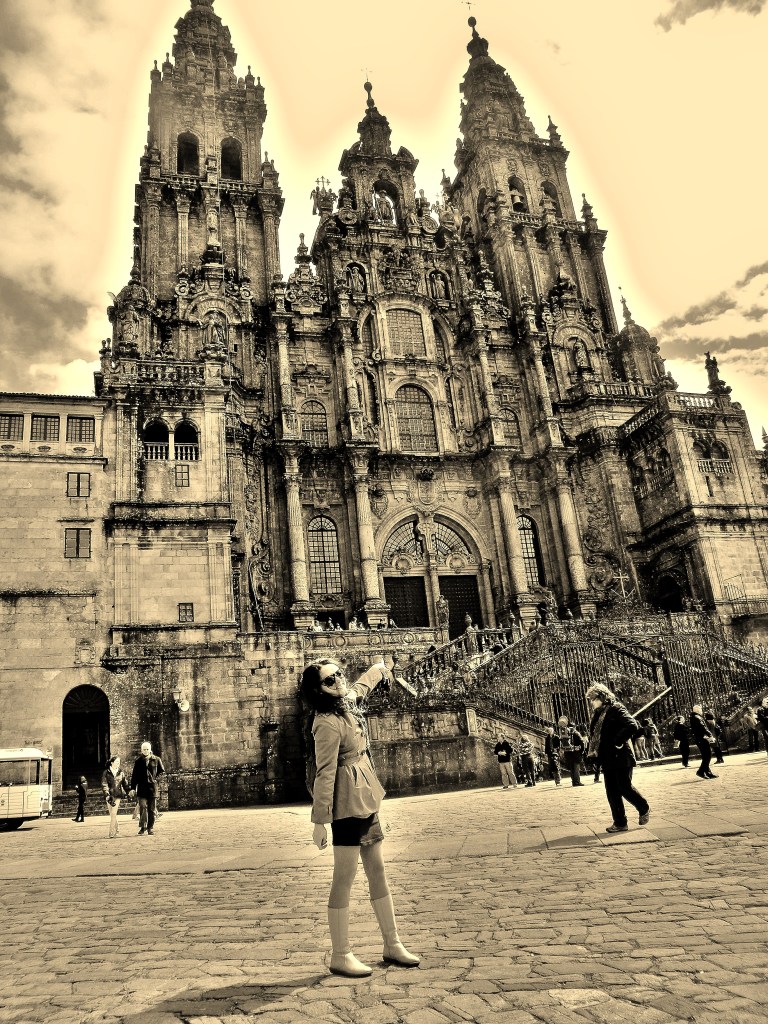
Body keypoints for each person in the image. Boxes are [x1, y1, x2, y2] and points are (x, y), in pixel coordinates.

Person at [301, 658, 419, 977]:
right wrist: (319, 821)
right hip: (346, 800)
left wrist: (379, 667)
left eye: (339, 674)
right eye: (330, 680)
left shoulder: (347, 700)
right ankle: (340, 954)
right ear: (317, 690)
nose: (338, 680)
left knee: (377, 870)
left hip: (366, 792)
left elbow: (360, 685)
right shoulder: (325, 721)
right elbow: (324, 772)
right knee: (345, 876)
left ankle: (392, 944)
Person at [585, 682, 650, 834]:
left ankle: (643, 807)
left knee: (624, 787)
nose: (591, 702)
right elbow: (596, 735)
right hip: (607, 757)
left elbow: (632, 725)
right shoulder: (599, 713)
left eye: (593, 698)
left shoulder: (616, 708)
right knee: (612, 791)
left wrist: (618, 741)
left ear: (602, 696)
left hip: (620, 755)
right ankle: (620, 822)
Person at [130, 741, 165, 835]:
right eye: (144, 749)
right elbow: (134, 776)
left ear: (150, 750)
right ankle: (143, 827)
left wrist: (155, 780)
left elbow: (161, 772)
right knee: (143, 806)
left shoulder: (156, 759)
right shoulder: (138, 761)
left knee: (152, 809)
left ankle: (150, 828)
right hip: (142, 788)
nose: (145, 751)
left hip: (152, 788)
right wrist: (133, 788)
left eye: (147, 749)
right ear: (141, 750)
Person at [101, 755, 131, 839]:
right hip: (109, 796)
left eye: (119, 762)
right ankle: (117, 831)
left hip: (117, 795)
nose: (118, 764)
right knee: (112, 815)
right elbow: (104, 784)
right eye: (117, 762)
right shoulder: (106, 772)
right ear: (112, 763)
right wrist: (106, 794)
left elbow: (125, 784)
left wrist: (129, 791)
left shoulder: (121, 772)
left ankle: (111, 833)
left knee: (114, 813)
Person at [689, 705, 717, 780]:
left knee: (706, 755)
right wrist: (710, 734)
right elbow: (703, 727)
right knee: (708, 754)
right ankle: (701, 771)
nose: (702, 711)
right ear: (697, 710)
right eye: (701, 709)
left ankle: (708, 772)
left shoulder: (694, 717)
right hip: (701, 738)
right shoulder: (697, 717)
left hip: (700, 738)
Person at [556, 717, 585, 786]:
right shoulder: (576, 733)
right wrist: (582, 751)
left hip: (568, 753)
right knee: (576, 768)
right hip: (576, 753)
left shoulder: (565, 733)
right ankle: (577, 781)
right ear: (574, 727)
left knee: (572, 768)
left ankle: (573, 782)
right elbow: (582, 743)